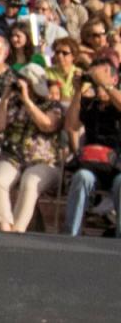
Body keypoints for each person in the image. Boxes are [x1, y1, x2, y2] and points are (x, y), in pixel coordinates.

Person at [0, 63, 64, 233]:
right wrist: (5, 98)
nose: (23, 85)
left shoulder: (52, 106)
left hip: (44, 162)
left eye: (27, 82)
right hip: (14, 157)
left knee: (30, 181)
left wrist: (27, 100)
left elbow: (47, 125)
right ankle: (4, 228)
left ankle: (18, 230)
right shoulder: (14, 103)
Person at [63, 58, 121, 237]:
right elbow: (71, 125)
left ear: (114, 79)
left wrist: (107, 87)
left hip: (117, 166)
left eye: (103, 74)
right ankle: (72, 235)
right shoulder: (91, 104)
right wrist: (78, 91)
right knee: (81, 177)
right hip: (93, 165)